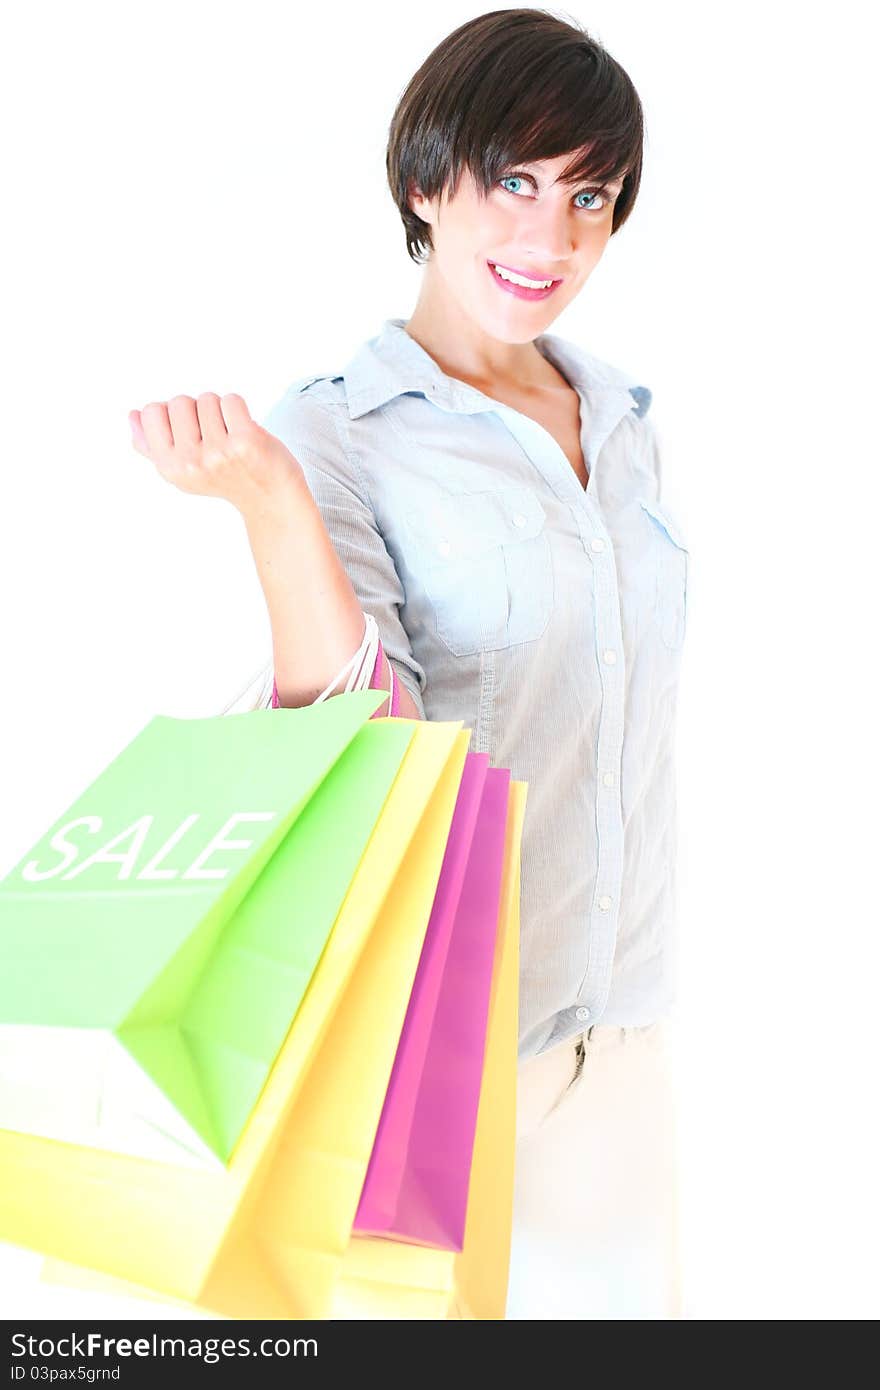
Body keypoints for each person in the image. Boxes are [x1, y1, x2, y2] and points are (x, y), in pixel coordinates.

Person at [128, 8, 689, 1319]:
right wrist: (271, 500)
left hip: (618, 1029)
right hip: (435, 1048)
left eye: (588, 194)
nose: (550, 238)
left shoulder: (620, 417)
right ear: (423, 182)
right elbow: (371, 751)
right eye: (512, 182)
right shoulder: (338, 432)